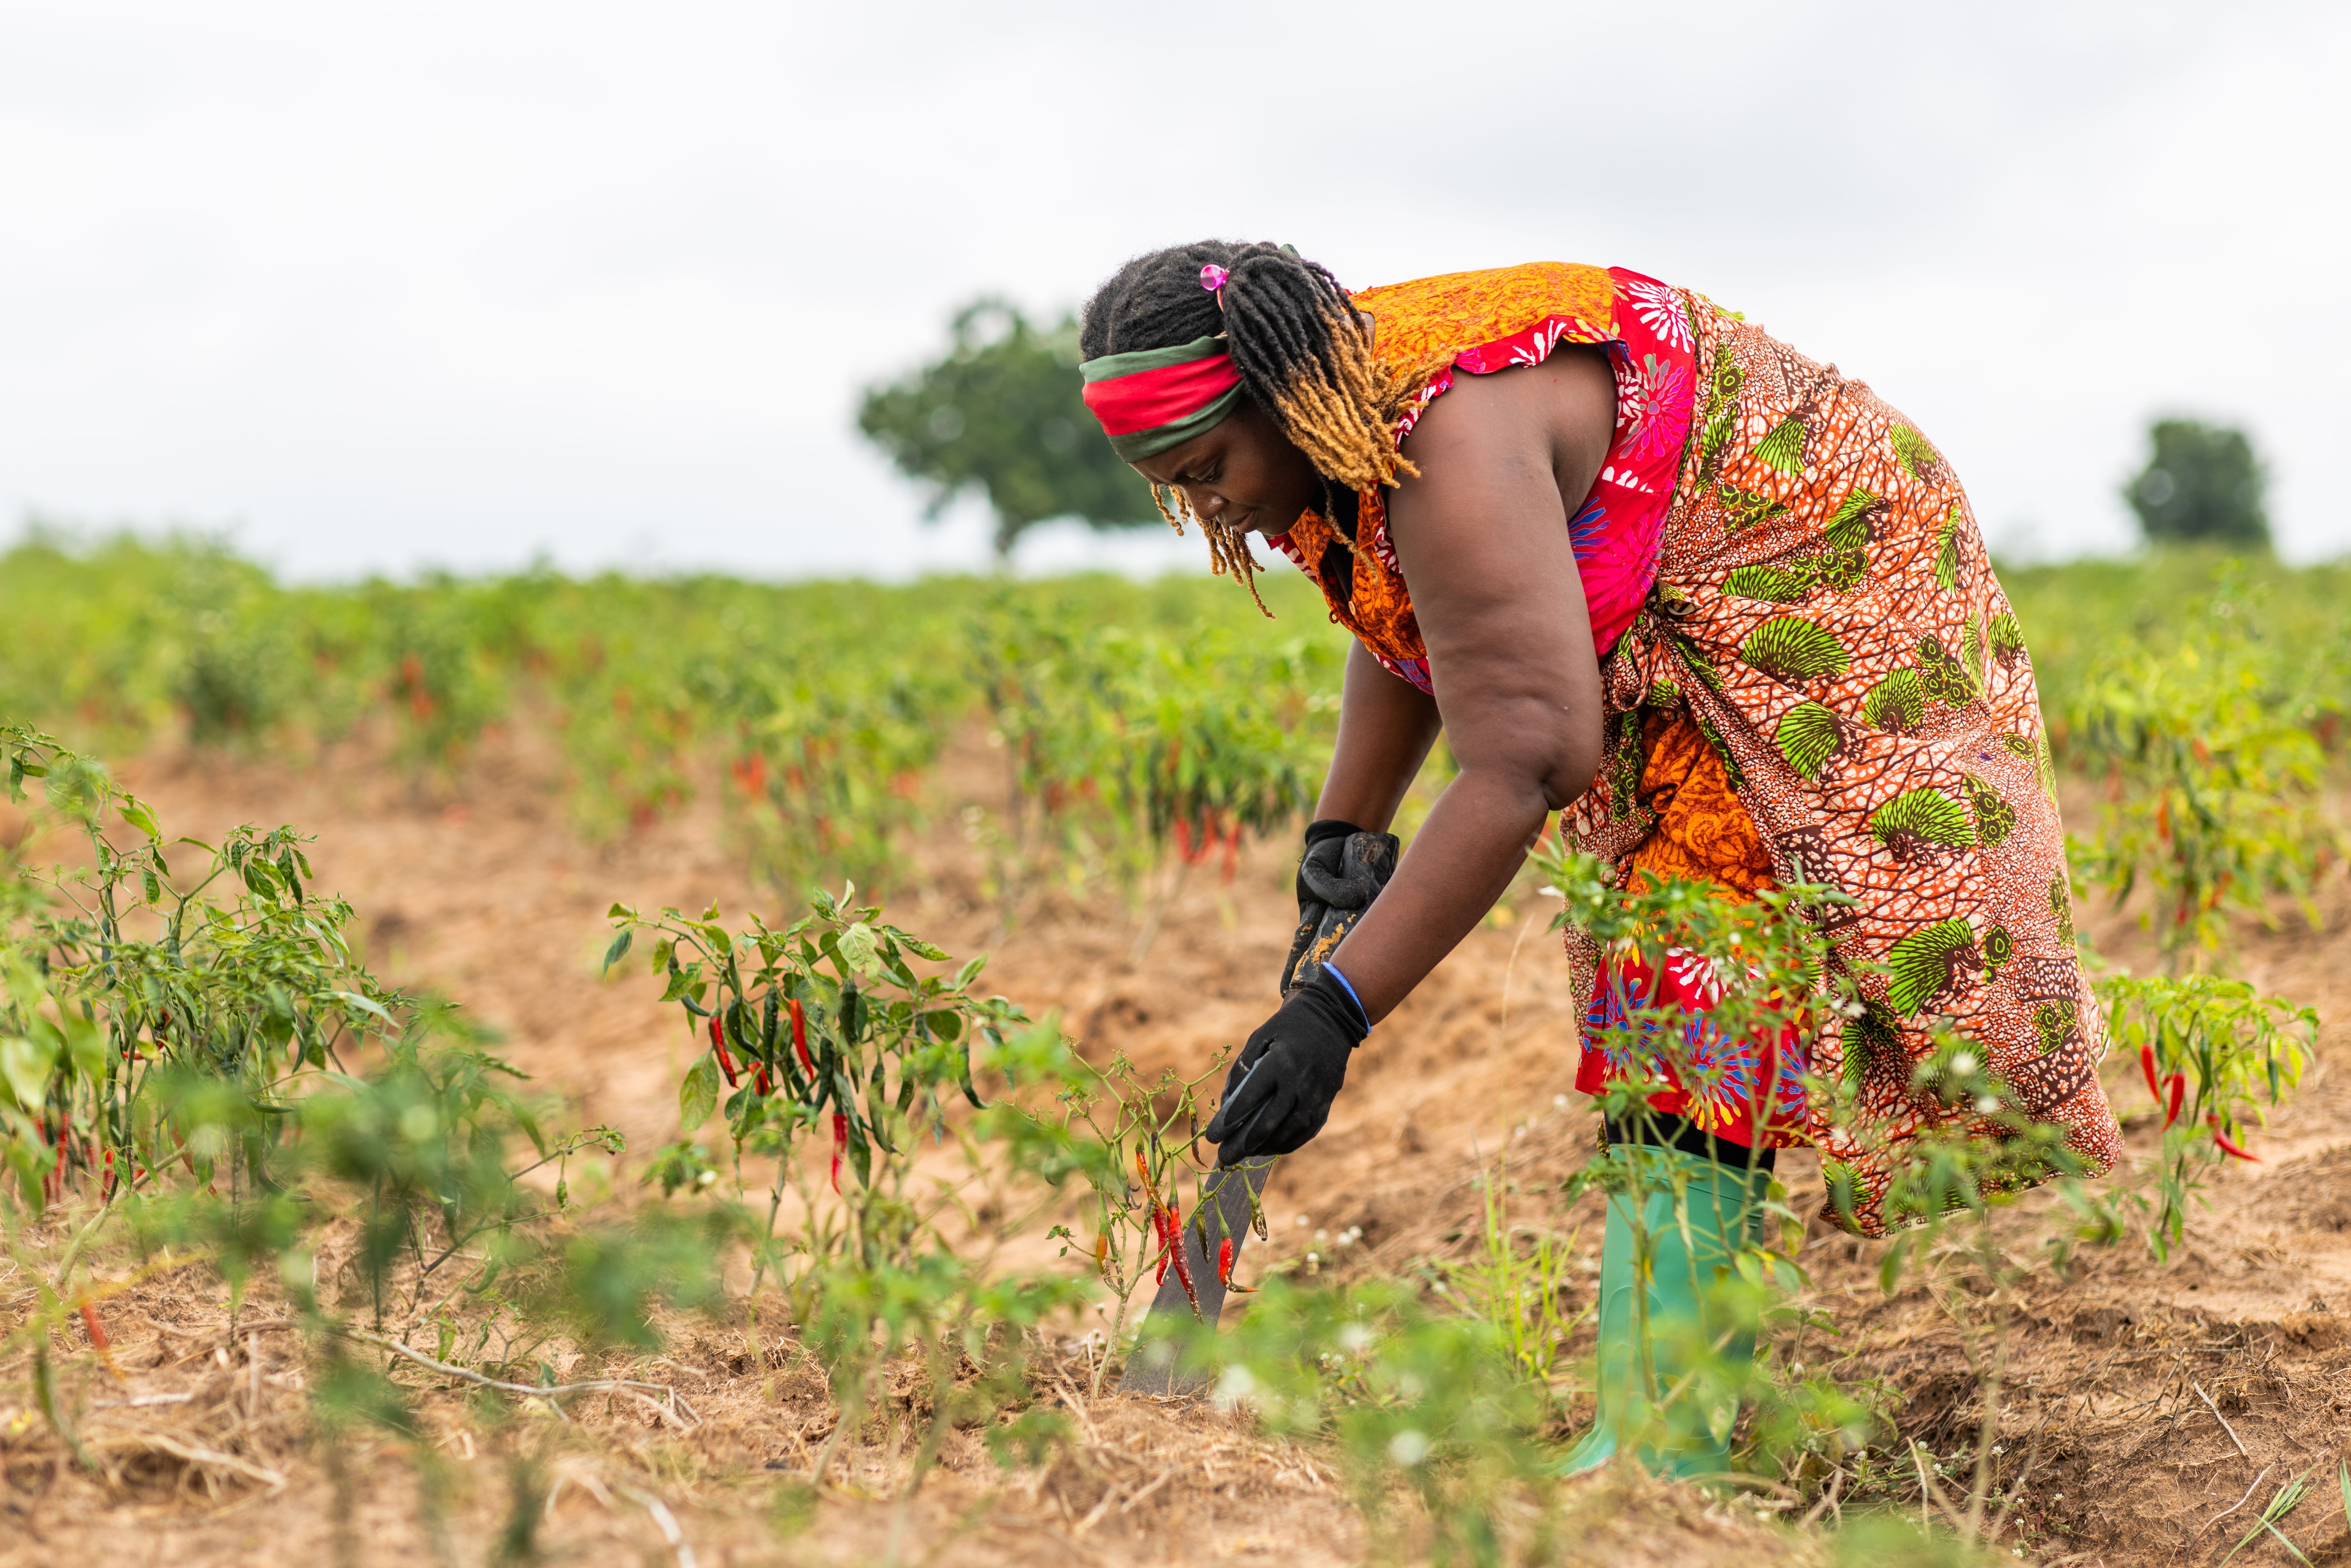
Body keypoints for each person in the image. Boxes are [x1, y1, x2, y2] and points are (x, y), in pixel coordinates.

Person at [1075, 242, 2121, 1473]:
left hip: (1808, 564)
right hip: (1666, 600)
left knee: (1699, 973)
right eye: (1174, 490)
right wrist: (1343, 836)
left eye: (1208, 470)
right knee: (1661, 982)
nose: (1213, 512)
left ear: (1279, 391)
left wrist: (1336, 1013)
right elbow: (1420, 607)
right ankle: (1651, 1425)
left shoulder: (1450, 431)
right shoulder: (1348, 419)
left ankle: (1659, 1448)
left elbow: (1527, 759)